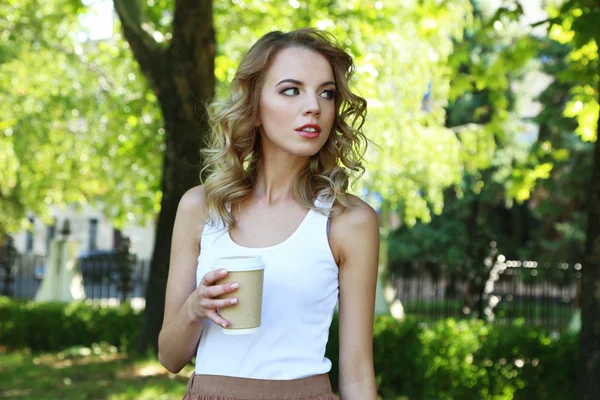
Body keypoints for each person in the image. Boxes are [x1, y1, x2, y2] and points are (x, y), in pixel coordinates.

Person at [158, 28, 380, 400]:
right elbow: (170, 357)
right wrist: (196, 306)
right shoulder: (200, 208)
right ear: (254, 106)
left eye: (326, 92)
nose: (314, 106)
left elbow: (357, 376)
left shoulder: (348, 221)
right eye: (291, 90)